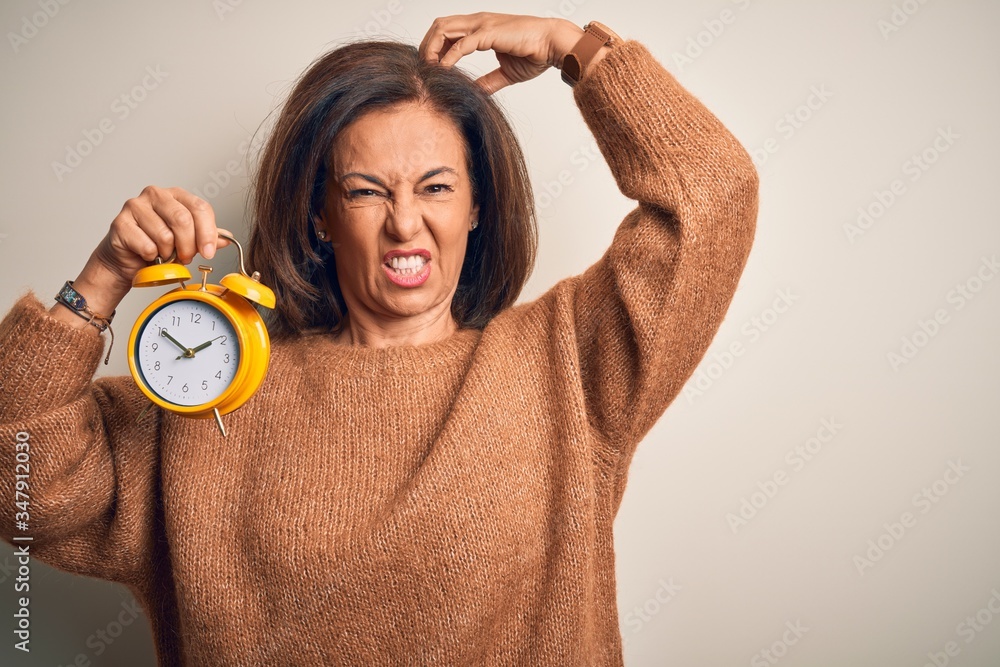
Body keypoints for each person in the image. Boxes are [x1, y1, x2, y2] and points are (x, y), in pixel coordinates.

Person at [0, 12, 757, 666]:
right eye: (365, 191)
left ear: (476, 208)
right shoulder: (213, 392)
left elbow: (713, 194)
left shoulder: (567, 364)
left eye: (436, 186)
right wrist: (102, 277)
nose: (405, 222)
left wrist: (574, 46)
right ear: (319, 216)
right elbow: (24, 486)